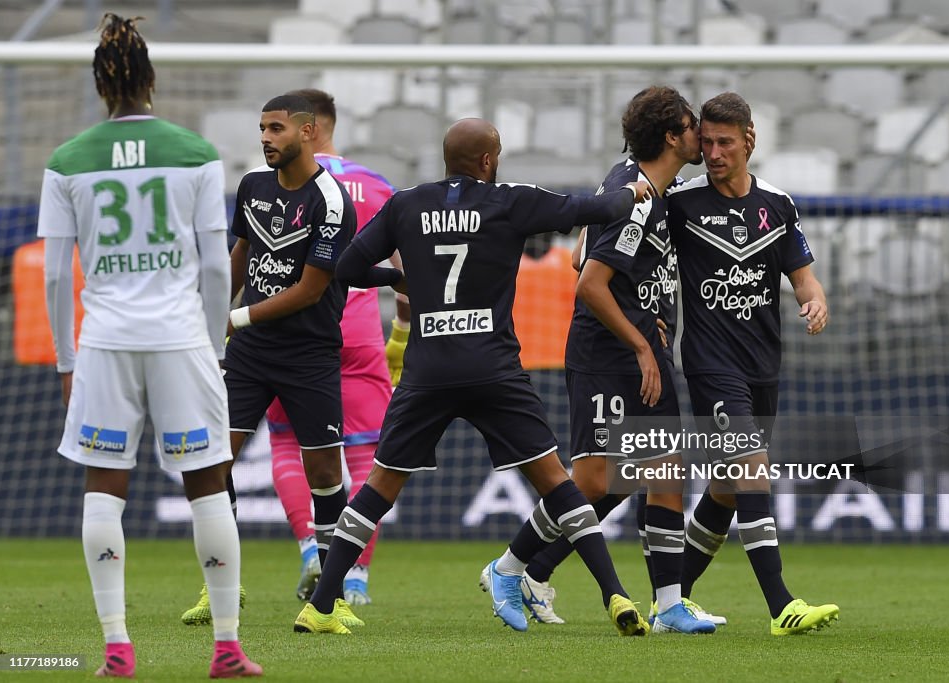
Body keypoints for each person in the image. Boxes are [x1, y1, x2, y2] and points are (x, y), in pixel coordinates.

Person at [293, 117, 653, 637]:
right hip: (493, 368)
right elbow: (592, 209)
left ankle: (320, 607)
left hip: (428, 370)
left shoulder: (406, 204)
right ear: (488, 160)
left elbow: (346, 270)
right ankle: (615, 594)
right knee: (555, 481)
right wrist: (635, 191)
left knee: (378, 488)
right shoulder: (509, 200)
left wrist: (398, 277)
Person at [37, 14, 261, 678]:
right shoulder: (193, 151)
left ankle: (116, 648)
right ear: (150, 78)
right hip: (180, 337)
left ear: (101, 82)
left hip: (105, 341)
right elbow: (219, 265)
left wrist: (65, 361)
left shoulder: (67, 159)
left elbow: (54, 274)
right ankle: (226, 647)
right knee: (208, 486)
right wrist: (215, 338)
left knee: (104, 489)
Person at [512, 86, 718, 635]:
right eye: (691, 124)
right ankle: (513, 568)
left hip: (636, 346)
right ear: (672, 136)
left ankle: (669, 604)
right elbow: (590, 284)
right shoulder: (638, 197)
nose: (701, 133)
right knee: (598, 481)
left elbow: (604, 264)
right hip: (608, 353)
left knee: (663, 471)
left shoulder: (642, 183)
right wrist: (641, 343)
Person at [178, 93, 359, 628]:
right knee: (213, 462)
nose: (265, 138)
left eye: (276, 128)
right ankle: (221, 589)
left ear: (306, 133)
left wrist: (232, 320)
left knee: (324, 470)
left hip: (309, 352)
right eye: (262, 128)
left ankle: (333, 596)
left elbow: (309, 290)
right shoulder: (254, 186)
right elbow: (241, 255)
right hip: (251, 354)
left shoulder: (331, 199)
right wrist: (210, 312)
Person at [667, 92, 839, 635]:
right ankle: (781, 605)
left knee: (723, 489)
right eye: (707, 142)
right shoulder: (680, 203)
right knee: (750, 470)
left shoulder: (778, 205)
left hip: (762, 364)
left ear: (749, 140)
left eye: (724, 142)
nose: (713, 152)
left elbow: (803, 274)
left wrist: (814, 298)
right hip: (710, 364)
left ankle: (672, 599)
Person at [264, 88, 404, 605]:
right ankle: (358, 578)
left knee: (287, 442)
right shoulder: (375, 186)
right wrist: (403, 335)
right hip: (359, 333)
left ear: (306, 128)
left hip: (291, 332)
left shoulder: (276, 184)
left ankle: (310, 552)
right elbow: (402, 270)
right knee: (368, 453)